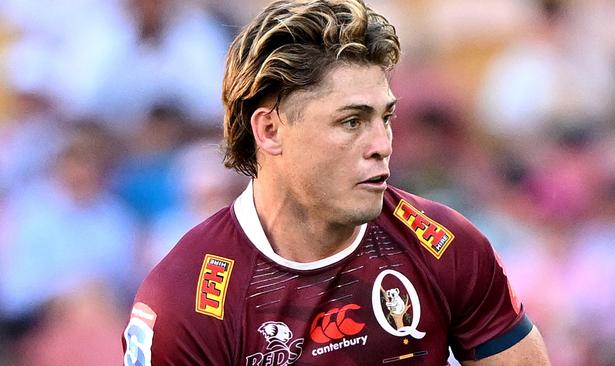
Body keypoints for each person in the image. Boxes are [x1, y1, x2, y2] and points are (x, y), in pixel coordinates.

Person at [122, 0, 551, 365]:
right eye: (351, 121)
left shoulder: (444, 244)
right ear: (270, 131)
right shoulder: (185, 300)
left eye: (386, 118)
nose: (382, 144)